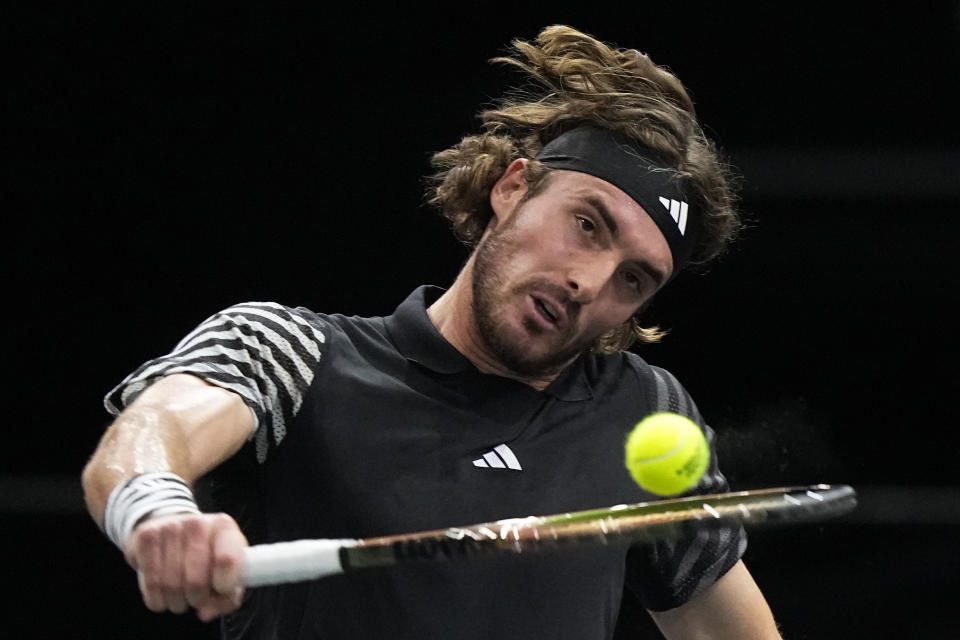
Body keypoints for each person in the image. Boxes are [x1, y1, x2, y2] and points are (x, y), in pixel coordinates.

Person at [82, 25, 782, 639]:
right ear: (513, 188)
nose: (590, 283)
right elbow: (148, 437)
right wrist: (159, 512)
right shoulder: (292, 353)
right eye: (587, 224)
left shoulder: (641, 413)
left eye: (634, 278)